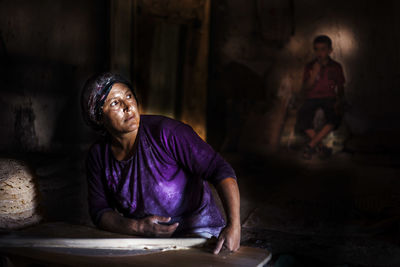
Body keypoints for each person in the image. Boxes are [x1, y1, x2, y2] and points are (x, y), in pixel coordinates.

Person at [80, 72, 241, 254]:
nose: (128, 106)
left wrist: (234, 225)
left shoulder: (166, 132)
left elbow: (219, 169)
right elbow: (100, 211)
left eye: (128, 96)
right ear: (98, 117)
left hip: (201, 235)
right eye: (115, 103)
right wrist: (138, 228)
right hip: (144, 240)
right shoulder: (98, 156)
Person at [295, 35, 346, 159]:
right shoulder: (310, 66)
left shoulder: (336, 66)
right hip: (312, 98)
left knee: (335, 117)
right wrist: (314, 74)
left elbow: (340, 87)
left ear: (330, 50)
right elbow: (306, 87)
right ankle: (320, 147)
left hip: (329, 98)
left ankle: (310, 146)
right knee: (302, 117)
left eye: (323, 49)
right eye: (317, 49)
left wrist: (339, 100)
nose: (319, 53)